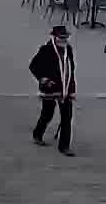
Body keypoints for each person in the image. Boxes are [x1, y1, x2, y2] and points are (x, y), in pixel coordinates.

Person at [28, 24, 77, 155]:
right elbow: (33, 66)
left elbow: (71, 71)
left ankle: (64, 146)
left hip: (65, 88)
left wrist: (72, 90)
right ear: (54, 37)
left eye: (66, 38)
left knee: (67, 117)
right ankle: (37, 134)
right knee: (47, 114)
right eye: (61, 38)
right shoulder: (46, 50)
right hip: (50, 88)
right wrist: (42, 78)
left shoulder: (69, 50)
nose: (64, 40)